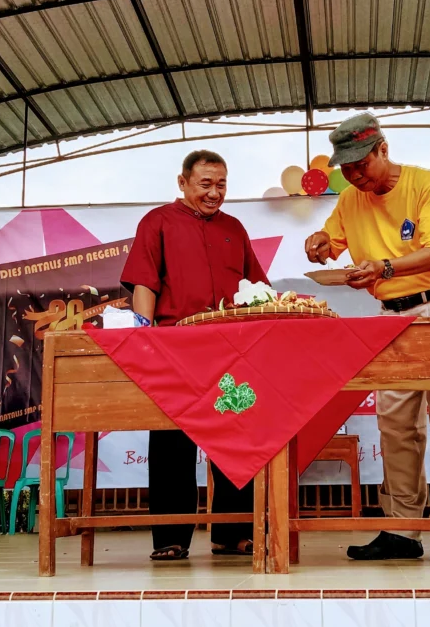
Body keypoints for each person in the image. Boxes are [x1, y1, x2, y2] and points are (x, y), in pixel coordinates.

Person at [304, 112, 430, 563]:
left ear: (384, 149)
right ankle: (405, 528)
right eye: (346, 169)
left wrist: (383, 267)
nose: (355, 176)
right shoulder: (351, 198)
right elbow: (334, 240)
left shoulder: (425, 184)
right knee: (397, 423)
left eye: (362, 165)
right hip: (393, 315)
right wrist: (320, 241)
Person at [120, 149, 268, 561]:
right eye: (205, 184)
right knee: (171, 442)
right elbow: (144, 284)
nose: (214, 193)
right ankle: (170, 536)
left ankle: (232, 533)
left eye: (221, 184)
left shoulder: (234, 228)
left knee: (237, 439)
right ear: (182, 183)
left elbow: (256, 288)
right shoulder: (157, 222)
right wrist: (144, 342)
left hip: (230, 350)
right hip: (175, 348)